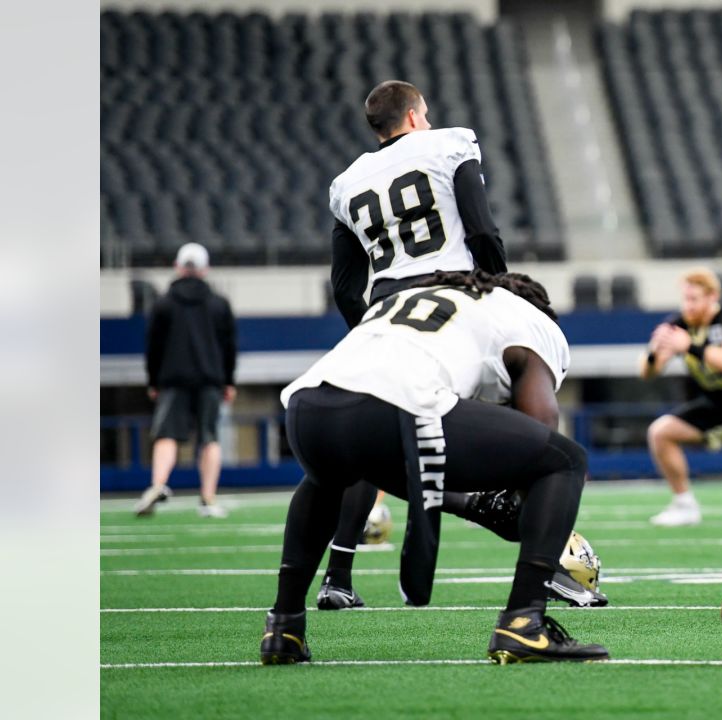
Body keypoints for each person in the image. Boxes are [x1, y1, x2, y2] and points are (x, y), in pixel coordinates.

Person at [260, 271, 608, 665]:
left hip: (309, 409)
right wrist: (535, 515)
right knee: (566, 460)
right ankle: (524, 622)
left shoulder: (434, 297)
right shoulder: (530, 320)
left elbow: (407, 457)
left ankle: (283, 626)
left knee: (331, 475)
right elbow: (540, 430)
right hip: (393, 407)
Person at [318, 79, 510, 607]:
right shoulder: (450, 144)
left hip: (385, 314)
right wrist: (503, 291)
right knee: (524, 402)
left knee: (370, 449)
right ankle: (539, 539)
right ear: (414, 115)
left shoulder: (345, 183)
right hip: (450, 302)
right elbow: (483, 232)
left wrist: (368, 330)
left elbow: (342, 287)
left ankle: (336, 578)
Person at [641, 269, 722, 527]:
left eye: (694, 299)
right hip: (716, 403)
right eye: (685, 299)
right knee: (660, 432)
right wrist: (655, 350)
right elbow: (647, 373)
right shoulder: (680, 324)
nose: (688, 305)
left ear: (712, 297)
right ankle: (684, 504)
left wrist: (690, 347)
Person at [134, 243, 237, 518]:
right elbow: (229, 346)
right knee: (209, 437)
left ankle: (157, 485)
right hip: (210, 379)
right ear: (205, 269)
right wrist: (228, 381)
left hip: (172, 380)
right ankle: (207, 498)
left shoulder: (163, 303)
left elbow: (153, 347)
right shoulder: (219, 303)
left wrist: (153, 381)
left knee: (166, 435)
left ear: (178, 267)